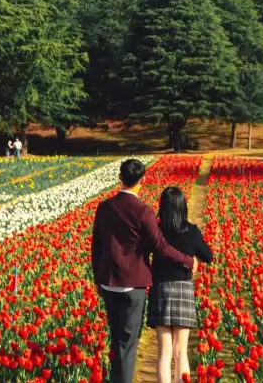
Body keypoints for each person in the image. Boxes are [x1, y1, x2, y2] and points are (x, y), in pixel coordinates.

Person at [91, 159, 197, 383]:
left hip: (109, 283)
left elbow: (97, 246)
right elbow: (162, 247)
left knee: (116, 339)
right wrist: (187, 260)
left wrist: (97, 280)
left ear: (120, 179)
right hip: (133, 284)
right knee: (127, 344)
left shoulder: (104, 207)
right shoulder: (144, 212)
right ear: (142, 181)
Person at [148, 187, 213, 383]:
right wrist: (193, 261)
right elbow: (208, 255)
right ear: (183, 206)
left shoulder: (156, 231)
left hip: (161, 288)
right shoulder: (191, 230)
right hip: (183, 289)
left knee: (164, 353)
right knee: (181, 352)